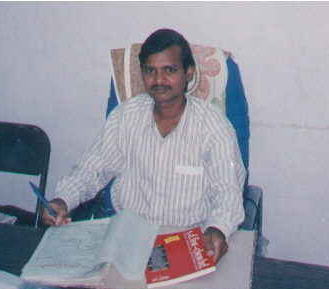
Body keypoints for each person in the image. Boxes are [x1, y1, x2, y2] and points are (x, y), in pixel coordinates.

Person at [40, 29, 246, 264]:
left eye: (170, 70)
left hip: (188, 241)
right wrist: (62, 200)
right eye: (150, 71)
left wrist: (217, 229)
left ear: (189, 73)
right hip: (127, 237)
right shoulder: (126, 117)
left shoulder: (213, 126)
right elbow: (92, 170)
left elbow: (227, 191)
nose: (159, 80)